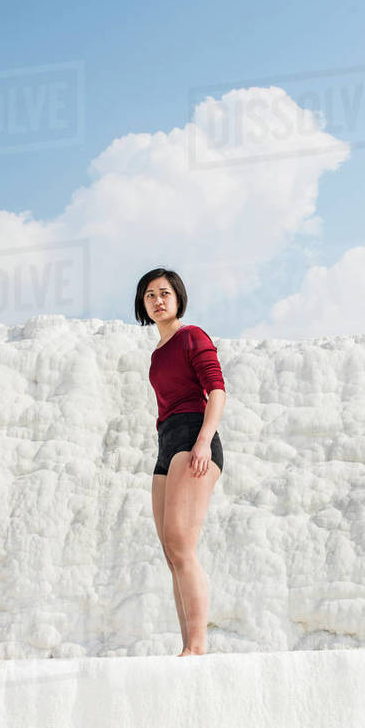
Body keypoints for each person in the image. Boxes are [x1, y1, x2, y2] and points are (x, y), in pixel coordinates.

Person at [135, 268, 226, 656]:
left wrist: (204, 440)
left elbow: (217, 389)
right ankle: (186, 645)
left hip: (193, 436)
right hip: (165, 441)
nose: (158, 301)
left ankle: (199, 647)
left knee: (182, 545)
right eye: (150, 295)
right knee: (171, 552)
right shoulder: (157, 353)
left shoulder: (193, 336)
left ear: (178, 298)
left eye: (164, 293)